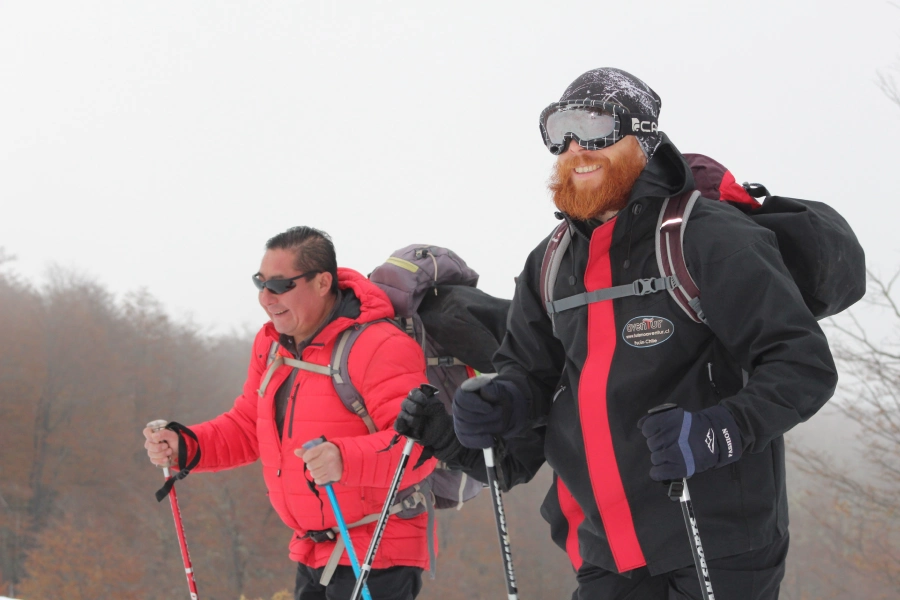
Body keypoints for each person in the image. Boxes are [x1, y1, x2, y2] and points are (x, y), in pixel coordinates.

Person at [397, 68, 839, 599]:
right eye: (559, 130)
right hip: (602, 549)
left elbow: (803, 365)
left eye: (595, 126)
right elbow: (530, 381)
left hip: (717, 546)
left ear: (642, 139)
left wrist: (716, 430)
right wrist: (496, 405)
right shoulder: (551, 261)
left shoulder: (709, 241)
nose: (575, 147)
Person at [143, 226, 433, 600]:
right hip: (313, 552)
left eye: (280, 286)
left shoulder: (380, 346)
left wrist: (344, 459)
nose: (266, 297)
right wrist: (185, 446)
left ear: (322, 282)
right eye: (260, 283)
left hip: (378, 554)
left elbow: (420, 447)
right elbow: (250, 427)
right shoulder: (273, 346)